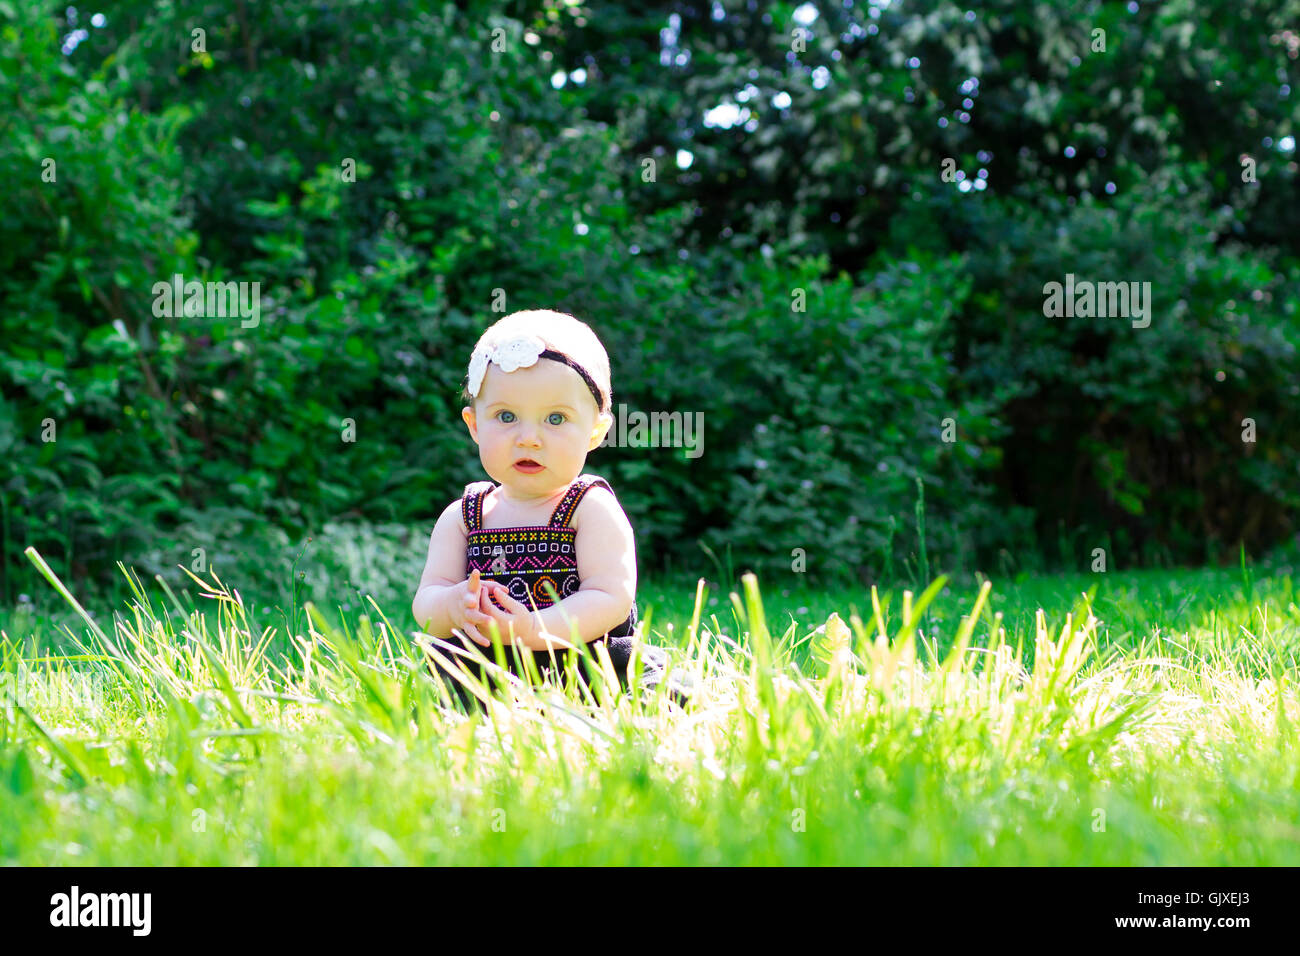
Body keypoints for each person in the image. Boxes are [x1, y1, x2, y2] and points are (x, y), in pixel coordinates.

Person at [411, 309, 689, 713]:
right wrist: (454, 604)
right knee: (443, 678)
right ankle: (482, 709)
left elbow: (610, 596)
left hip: (585, 658)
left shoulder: (589, 507)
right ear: (474, 426)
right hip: (489, 661)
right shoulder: (463, 517)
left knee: (656, 687)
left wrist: (532, 629)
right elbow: (427, 604)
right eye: (506, 417)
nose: (529, 438)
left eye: (555, 419)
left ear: (595, 430)